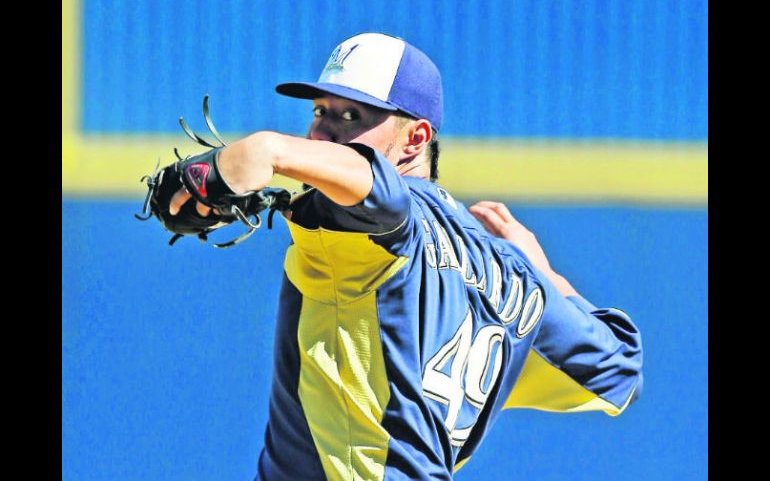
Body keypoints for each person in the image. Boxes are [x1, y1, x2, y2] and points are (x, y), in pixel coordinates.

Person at [169, 32, 643, 481]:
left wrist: (267, 150)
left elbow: (377, 192)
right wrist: (543, 272)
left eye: (350, 116)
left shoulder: (374, 222)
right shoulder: (511, 275)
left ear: (415, 139)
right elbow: (619, 365)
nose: (320, 133)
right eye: (319, 111)